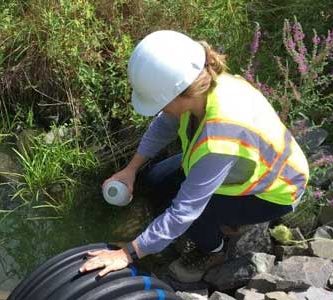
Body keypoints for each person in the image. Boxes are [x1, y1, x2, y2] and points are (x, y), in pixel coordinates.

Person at [78, 30, 309, 282]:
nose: (159, 109)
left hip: (275, 190)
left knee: (196, 213)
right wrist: (131, 170)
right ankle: (224, 220)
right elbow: (163, 126)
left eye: (160, 102)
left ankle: (214, 250)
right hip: (244, 165)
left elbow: (184, 212)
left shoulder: (220, 136)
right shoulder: (203, 83)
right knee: (156, 180)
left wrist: (128, 253)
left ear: (179, 94)